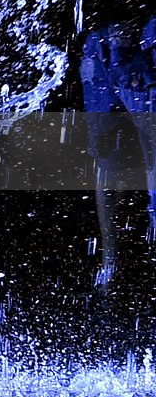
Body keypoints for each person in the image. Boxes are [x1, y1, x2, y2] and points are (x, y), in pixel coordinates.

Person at [80, 15, 156, 286]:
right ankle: (112, 267)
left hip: (147, 35)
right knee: (110, 155)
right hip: (107, 39)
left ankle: (116, 269)